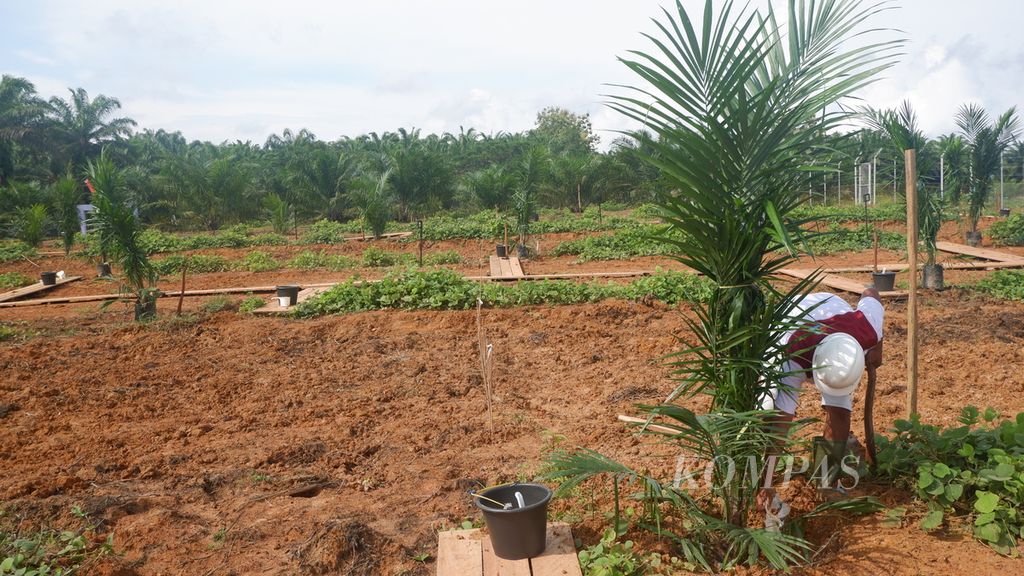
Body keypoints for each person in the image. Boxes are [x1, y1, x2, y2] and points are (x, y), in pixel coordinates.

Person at [759, 286, 884, 495]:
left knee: (841, 413)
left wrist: (879, 346)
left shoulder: (866, 329)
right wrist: (767, 487)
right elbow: (779, 423)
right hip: (789, 322)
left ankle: (826, 481)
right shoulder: (789, 354)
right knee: (773, 412)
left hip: (835, 314)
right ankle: (764, 481)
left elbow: (871, 292)